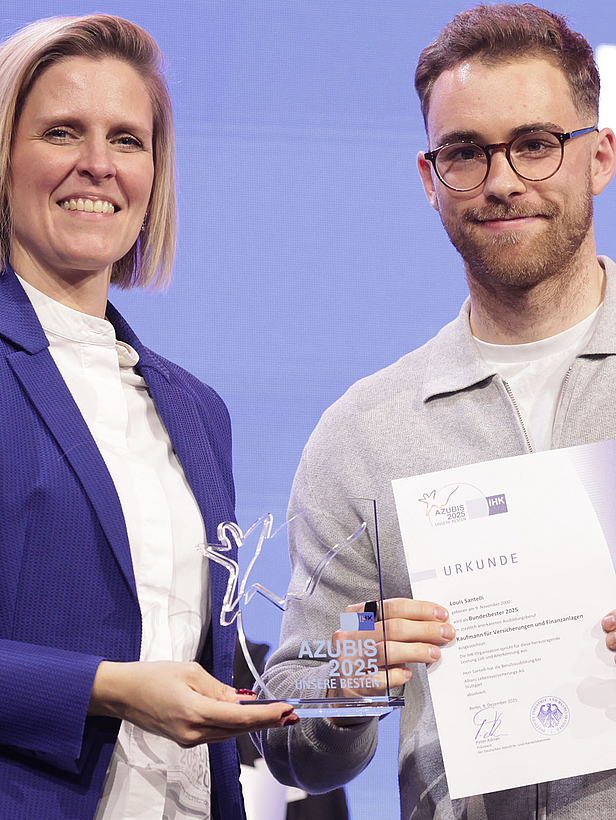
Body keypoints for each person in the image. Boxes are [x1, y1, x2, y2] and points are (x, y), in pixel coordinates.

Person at [259, 4, 616, 819]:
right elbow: (289, 720)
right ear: (429, 179)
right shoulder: (364, 432)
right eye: (465, 152)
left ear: (599, 157)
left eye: (535, 143)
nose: (501, 180)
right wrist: (350, 675)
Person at [0, 14, 298, 820]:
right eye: (62, 131)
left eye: (127, 140)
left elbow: (205, 664)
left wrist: (343, 674)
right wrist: (106, 689)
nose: (98, 164)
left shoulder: (198, 410)